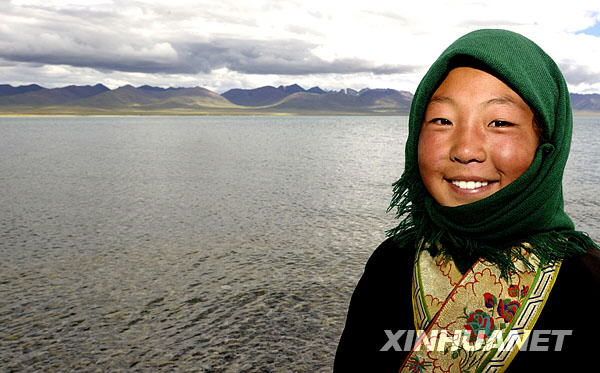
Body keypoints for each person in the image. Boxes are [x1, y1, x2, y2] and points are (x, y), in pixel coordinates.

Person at [334, 29, 600, 372]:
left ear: (545, 146)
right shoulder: (392, 262)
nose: (465, 150)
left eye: (500, 122)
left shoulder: (588, 284)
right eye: (442, 121)